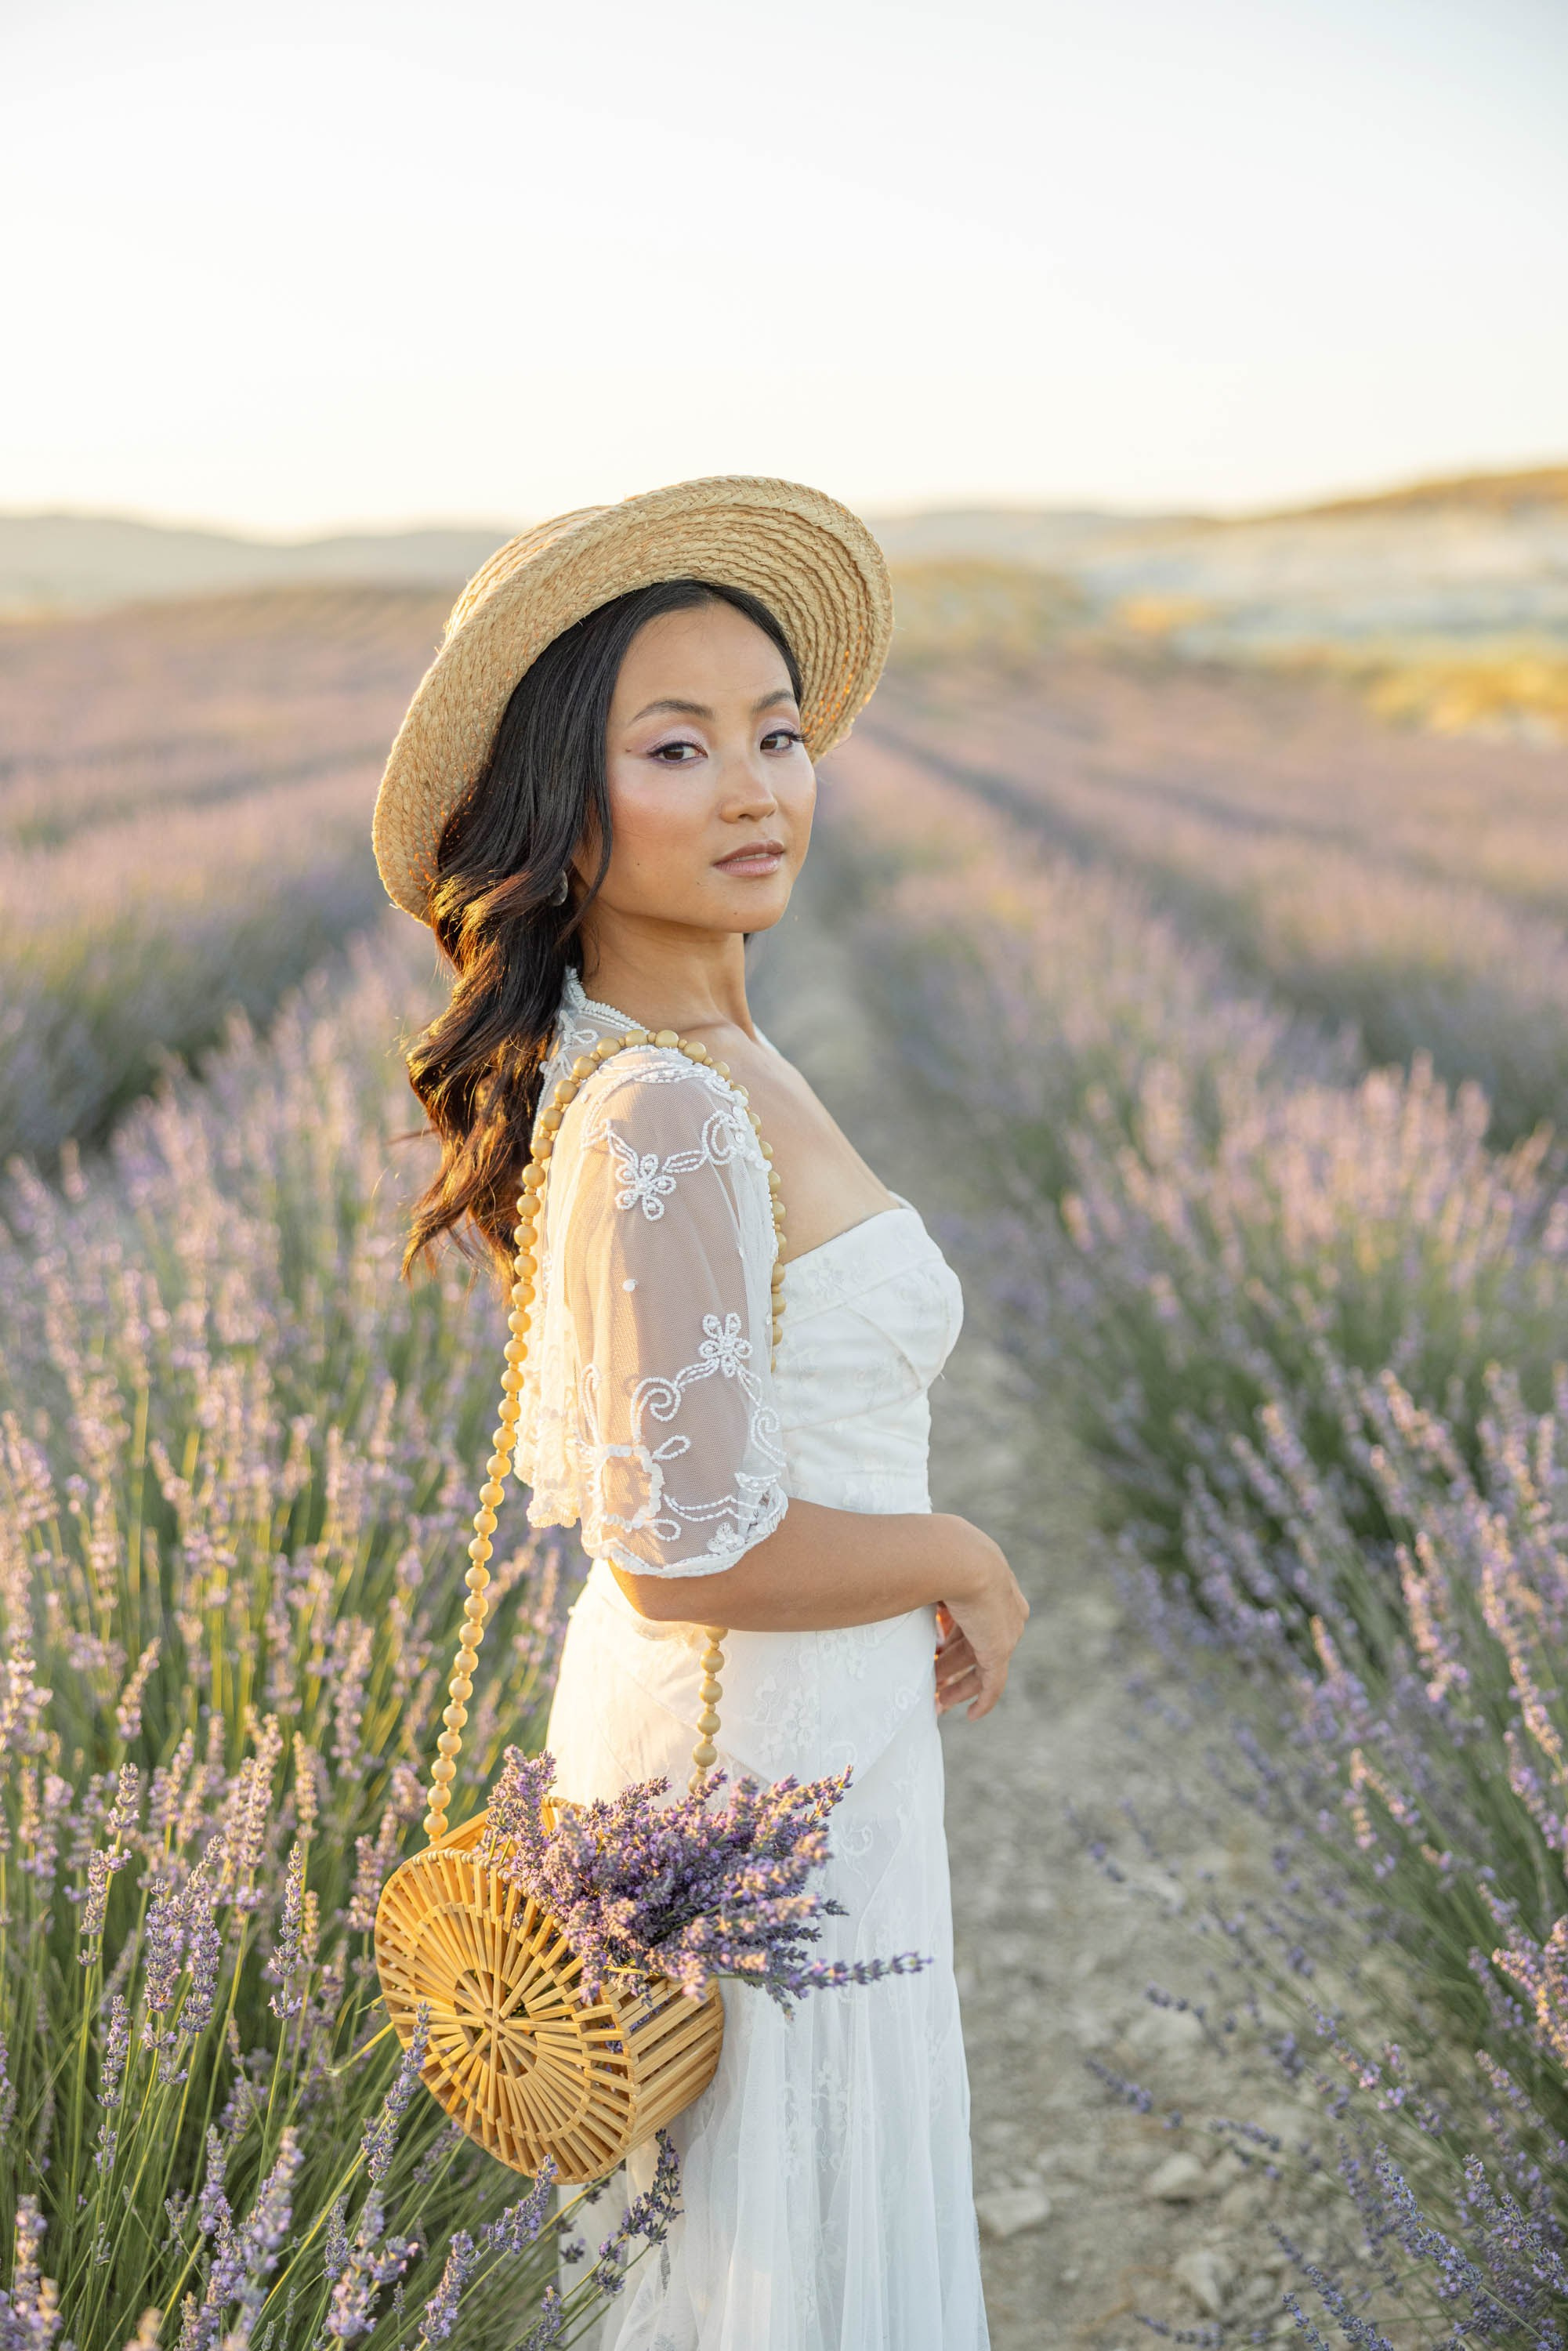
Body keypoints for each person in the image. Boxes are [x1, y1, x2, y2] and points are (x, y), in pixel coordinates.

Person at [372, 477, 1029, 2350]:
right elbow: (685, 1550)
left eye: (777, 734)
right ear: (557, 815)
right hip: (736, 1788)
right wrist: (961, 1554)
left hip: (786, 1761)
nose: (756, 788)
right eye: (677, 747)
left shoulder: (710, 1051)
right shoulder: (664, 1108)